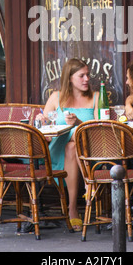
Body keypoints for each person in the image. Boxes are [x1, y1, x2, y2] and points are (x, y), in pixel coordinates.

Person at [36, 58, 99, 231]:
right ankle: (89, 185)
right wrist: (41, 118)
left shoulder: (96, 97)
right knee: (70, 142)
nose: (87, 79)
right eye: (82, 76)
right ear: (69, 78)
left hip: (89, 151)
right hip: (58, 150)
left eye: (88, 75)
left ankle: (72, 209)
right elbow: (45, 122)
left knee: (72, 146)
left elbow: (101, 128)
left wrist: (78, 122)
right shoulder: (56, 97)